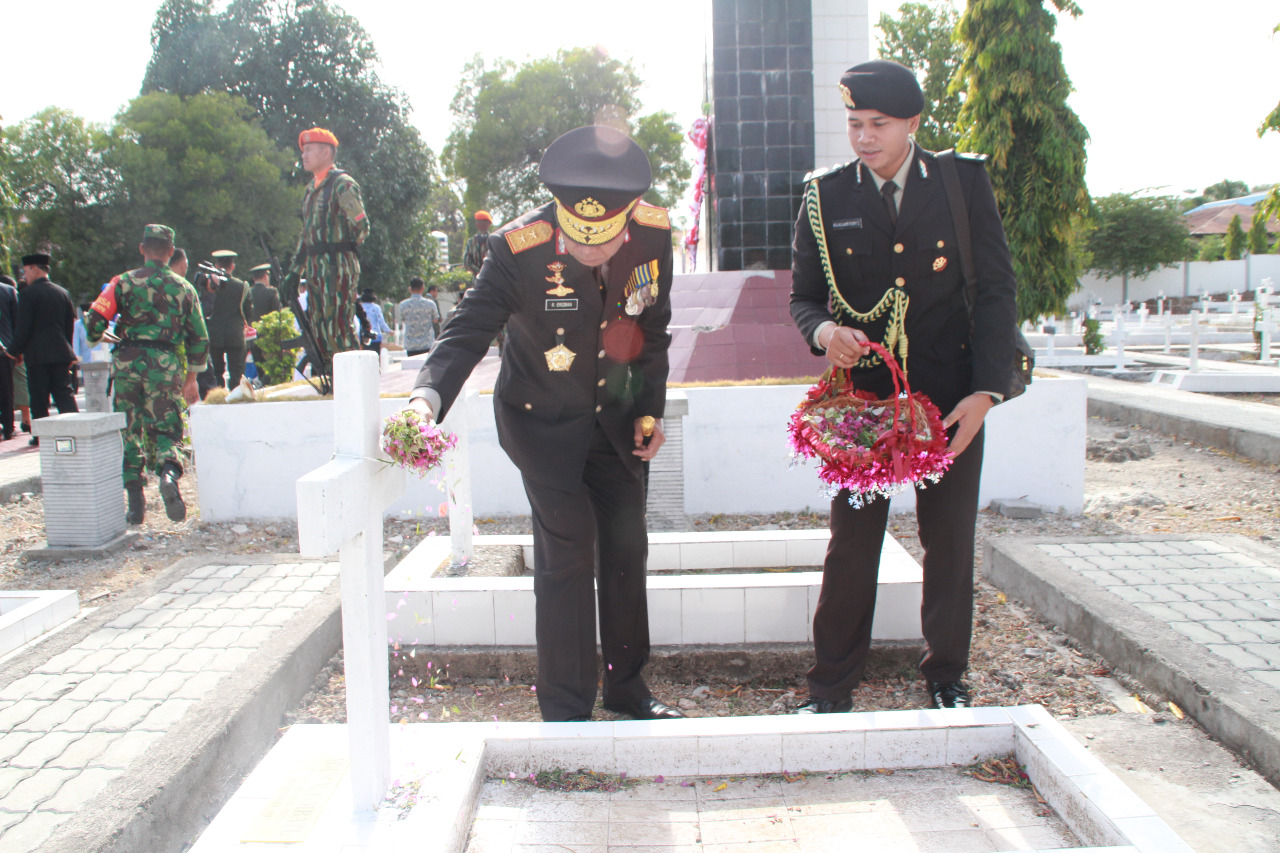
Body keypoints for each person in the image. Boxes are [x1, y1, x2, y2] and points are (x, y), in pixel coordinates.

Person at [409, 125, 681, 723]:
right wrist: (425, 400)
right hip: (543, 423)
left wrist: (650, 411)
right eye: (579, 243)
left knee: (625, 549)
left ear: (629, 216)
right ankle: (564, 706)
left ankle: (629, 689)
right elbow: (467, 331)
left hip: (616, 420)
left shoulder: (655, 235)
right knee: (567, 551)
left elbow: (652, 331)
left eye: (603, 244)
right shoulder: (517, 248)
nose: (590, 256)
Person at [789, 60, 1019, 712]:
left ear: (912, 123)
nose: (863, 137)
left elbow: (997, 290)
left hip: (950, 399)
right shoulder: (825, 196)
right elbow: (802, 299)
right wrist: (823, 332)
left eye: (878, 124)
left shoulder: (959, 183)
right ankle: (830, 686)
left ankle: (947, 677)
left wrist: (987, 392)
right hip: (864, 400)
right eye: (854, 123)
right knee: (851, 546)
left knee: (948, 542)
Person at [86, 224, 209, 525]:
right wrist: (192, 378)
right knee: (167, 427)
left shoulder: (121, 282)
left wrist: (103, 336)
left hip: (127, 362)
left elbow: (93, 324)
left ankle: (135, 505)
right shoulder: (184, 288)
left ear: (142, 249)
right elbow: (200, 339)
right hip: (165, 363)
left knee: (130, 430)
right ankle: (168, 474)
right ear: (170, 252)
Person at [289, 127, 370, 375]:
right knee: (318, 327)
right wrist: (294, 271)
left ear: (326, 152)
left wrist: (339, 250)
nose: (303, 155)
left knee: (338, 327)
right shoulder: (311, 189)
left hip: (337, 267)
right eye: (303, 151)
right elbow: (306, 235)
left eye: (309, 150)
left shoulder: (342, 185)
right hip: (315, 269)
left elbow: (361, 225)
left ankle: (353, 382)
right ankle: (330, 380)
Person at [7, 252, 79, 445]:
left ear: (34, 269)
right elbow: (68, 325)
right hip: (61, 352)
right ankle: (76, 429)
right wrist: (69, 350)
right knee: (64, 394)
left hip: (38, 354)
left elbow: (24, 328)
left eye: (25, 271)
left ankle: (41, 436)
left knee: (39, 397)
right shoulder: (62, 292)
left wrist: (12, 351)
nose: (24, 276)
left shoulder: (27, 294)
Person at [202, 249, 251, 391]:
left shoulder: (208, 284)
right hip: (235, 334)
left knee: (216, 374)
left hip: (214, 333)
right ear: (233, 266)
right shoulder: (242, 285)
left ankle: (218, 401)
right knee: (237, 374)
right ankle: (234, 403)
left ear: (216, 265)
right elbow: (248, 311)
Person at [396, 277, 440, 356]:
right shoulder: (430, 304)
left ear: (410, 289)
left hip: (410, 345)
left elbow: (401, 321)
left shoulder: (403, 305)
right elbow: (436, 320)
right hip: (427, 343)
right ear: (423, 288)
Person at [0, 275, 17, 440]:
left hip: (5, 350)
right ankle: (8, 427)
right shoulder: (9, 291)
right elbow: (16, 323)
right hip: (5, 350)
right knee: (6, 390)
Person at [358, 289, 391, 356]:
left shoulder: (359, 307)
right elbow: (381, 321)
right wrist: (388, 331)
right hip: (375, 336)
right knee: (375, 356)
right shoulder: (376, 308)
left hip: (363, 335)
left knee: (364, 357)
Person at [462, 210, 492, 282]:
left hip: (492, 280)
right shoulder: (471, 242)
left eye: (482, 222)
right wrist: (480, 272)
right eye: (478, 222)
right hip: (478, 280)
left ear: (488, 224)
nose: (479, 224)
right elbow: (467, 263)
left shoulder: (493, 240)